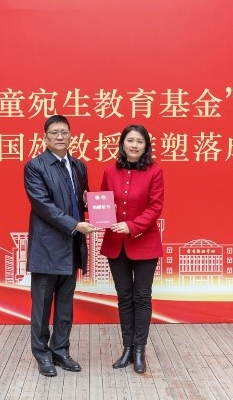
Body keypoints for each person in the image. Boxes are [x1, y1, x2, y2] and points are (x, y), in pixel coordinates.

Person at [24, 114, 97, 377]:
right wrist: (75, 225)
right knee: (42, 307)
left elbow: (81, 199)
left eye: (64, 132)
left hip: (71, 246)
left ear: (70, 136)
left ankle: (61, 351)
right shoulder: (35, 167)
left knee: (65, 305)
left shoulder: (79, 166)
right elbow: (43, 206)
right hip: (47, 248)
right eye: (54, 132)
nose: (59, 136)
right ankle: (42, 354)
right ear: (45, 138)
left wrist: (90, 203)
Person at [99, 124, 164, 374]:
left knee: (142, 297)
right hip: (116, 244)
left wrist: (132, 226)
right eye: (130, 140)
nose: (134, 145)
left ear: (146, 146)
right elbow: (104, 204)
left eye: (139, 141)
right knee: (124, 297)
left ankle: (139, 350)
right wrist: (89, 204)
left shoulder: (155, 172)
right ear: (122, 144)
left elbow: (155, 207)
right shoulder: (110, 171)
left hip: (144, 243)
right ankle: (127, 348)